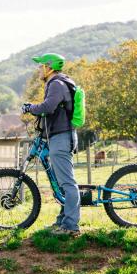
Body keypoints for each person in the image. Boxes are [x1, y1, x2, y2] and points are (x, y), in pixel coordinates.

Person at [22, 53, 81, 236]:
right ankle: (63, 221)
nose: (39, 70)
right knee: (62, 183)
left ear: (49, 67)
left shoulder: (56, 84)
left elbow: (48, 107)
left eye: (40, 66)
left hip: (62, 137)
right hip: (60, 136)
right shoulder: (59, 83)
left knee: (67, 183)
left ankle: (71, 227)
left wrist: (30, 108)